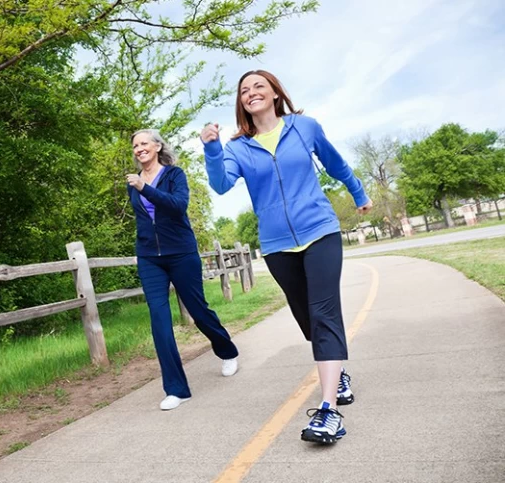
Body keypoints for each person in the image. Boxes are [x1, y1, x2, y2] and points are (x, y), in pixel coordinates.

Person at [200, 70, 373, 443]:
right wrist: (212, 149)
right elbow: (220, 184)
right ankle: (337, 370)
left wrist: (359, 193)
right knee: (306, 315)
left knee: (324, 312)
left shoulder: (304, 127)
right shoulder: (238, 148)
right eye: (244, 91)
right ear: (241, 103)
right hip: (278, 244)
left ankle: (329, 412)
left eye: (259, 86)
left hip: (320, 230)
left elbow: (336, 163)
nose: (251, 93)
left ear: (276, 93)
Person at [126, 129, 239, 411]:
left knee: (198, 309)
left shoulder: (174, 175)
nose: (139, 148)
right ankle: (176, 388)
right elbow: (144, 220)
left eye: (143, 143)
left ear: (156, 146)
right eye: (135, 145)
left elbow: (178, 206)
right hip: (150, 257)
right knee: (159, 319)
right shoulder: (134, 182)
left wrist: (144, 188)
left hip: (181, 253)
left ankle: (226, 350)